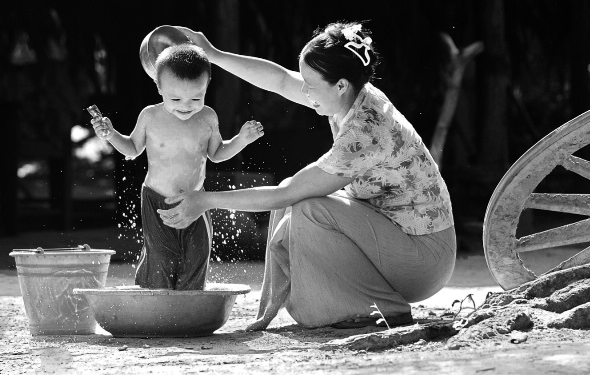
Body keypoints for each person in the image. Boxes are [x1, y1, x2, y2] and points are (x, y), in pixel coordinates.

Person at [158, 22, 457, 329]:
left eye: (310, 84)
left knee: (306, 206)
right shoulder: (349, 94)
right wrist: (213, 54)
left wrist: (205, 200)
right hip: (394, 237)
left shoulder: (365, 131)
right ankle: (274, 307)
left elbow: (283, 196)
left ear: (339, 85)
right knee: (295, 195)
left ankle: (383, 310)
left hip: (423, 261)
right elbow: (280, 80)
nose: (302, 89)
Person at [91, 43, 264, 289]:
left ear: (206, 87)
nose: (186, 105)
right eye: (175, 98)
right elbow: (132, 148)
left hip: (196, 199)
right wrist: (111, 135)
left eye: (196, 97)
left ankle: (189, 307)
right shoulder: (150, 116)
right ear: (159, 87)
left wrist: (241, 140)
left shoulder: (208, 117)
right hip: (156, 198)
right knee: (162, 255)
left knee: (198, 254)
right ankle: (157, 304)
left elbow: (216, 154)